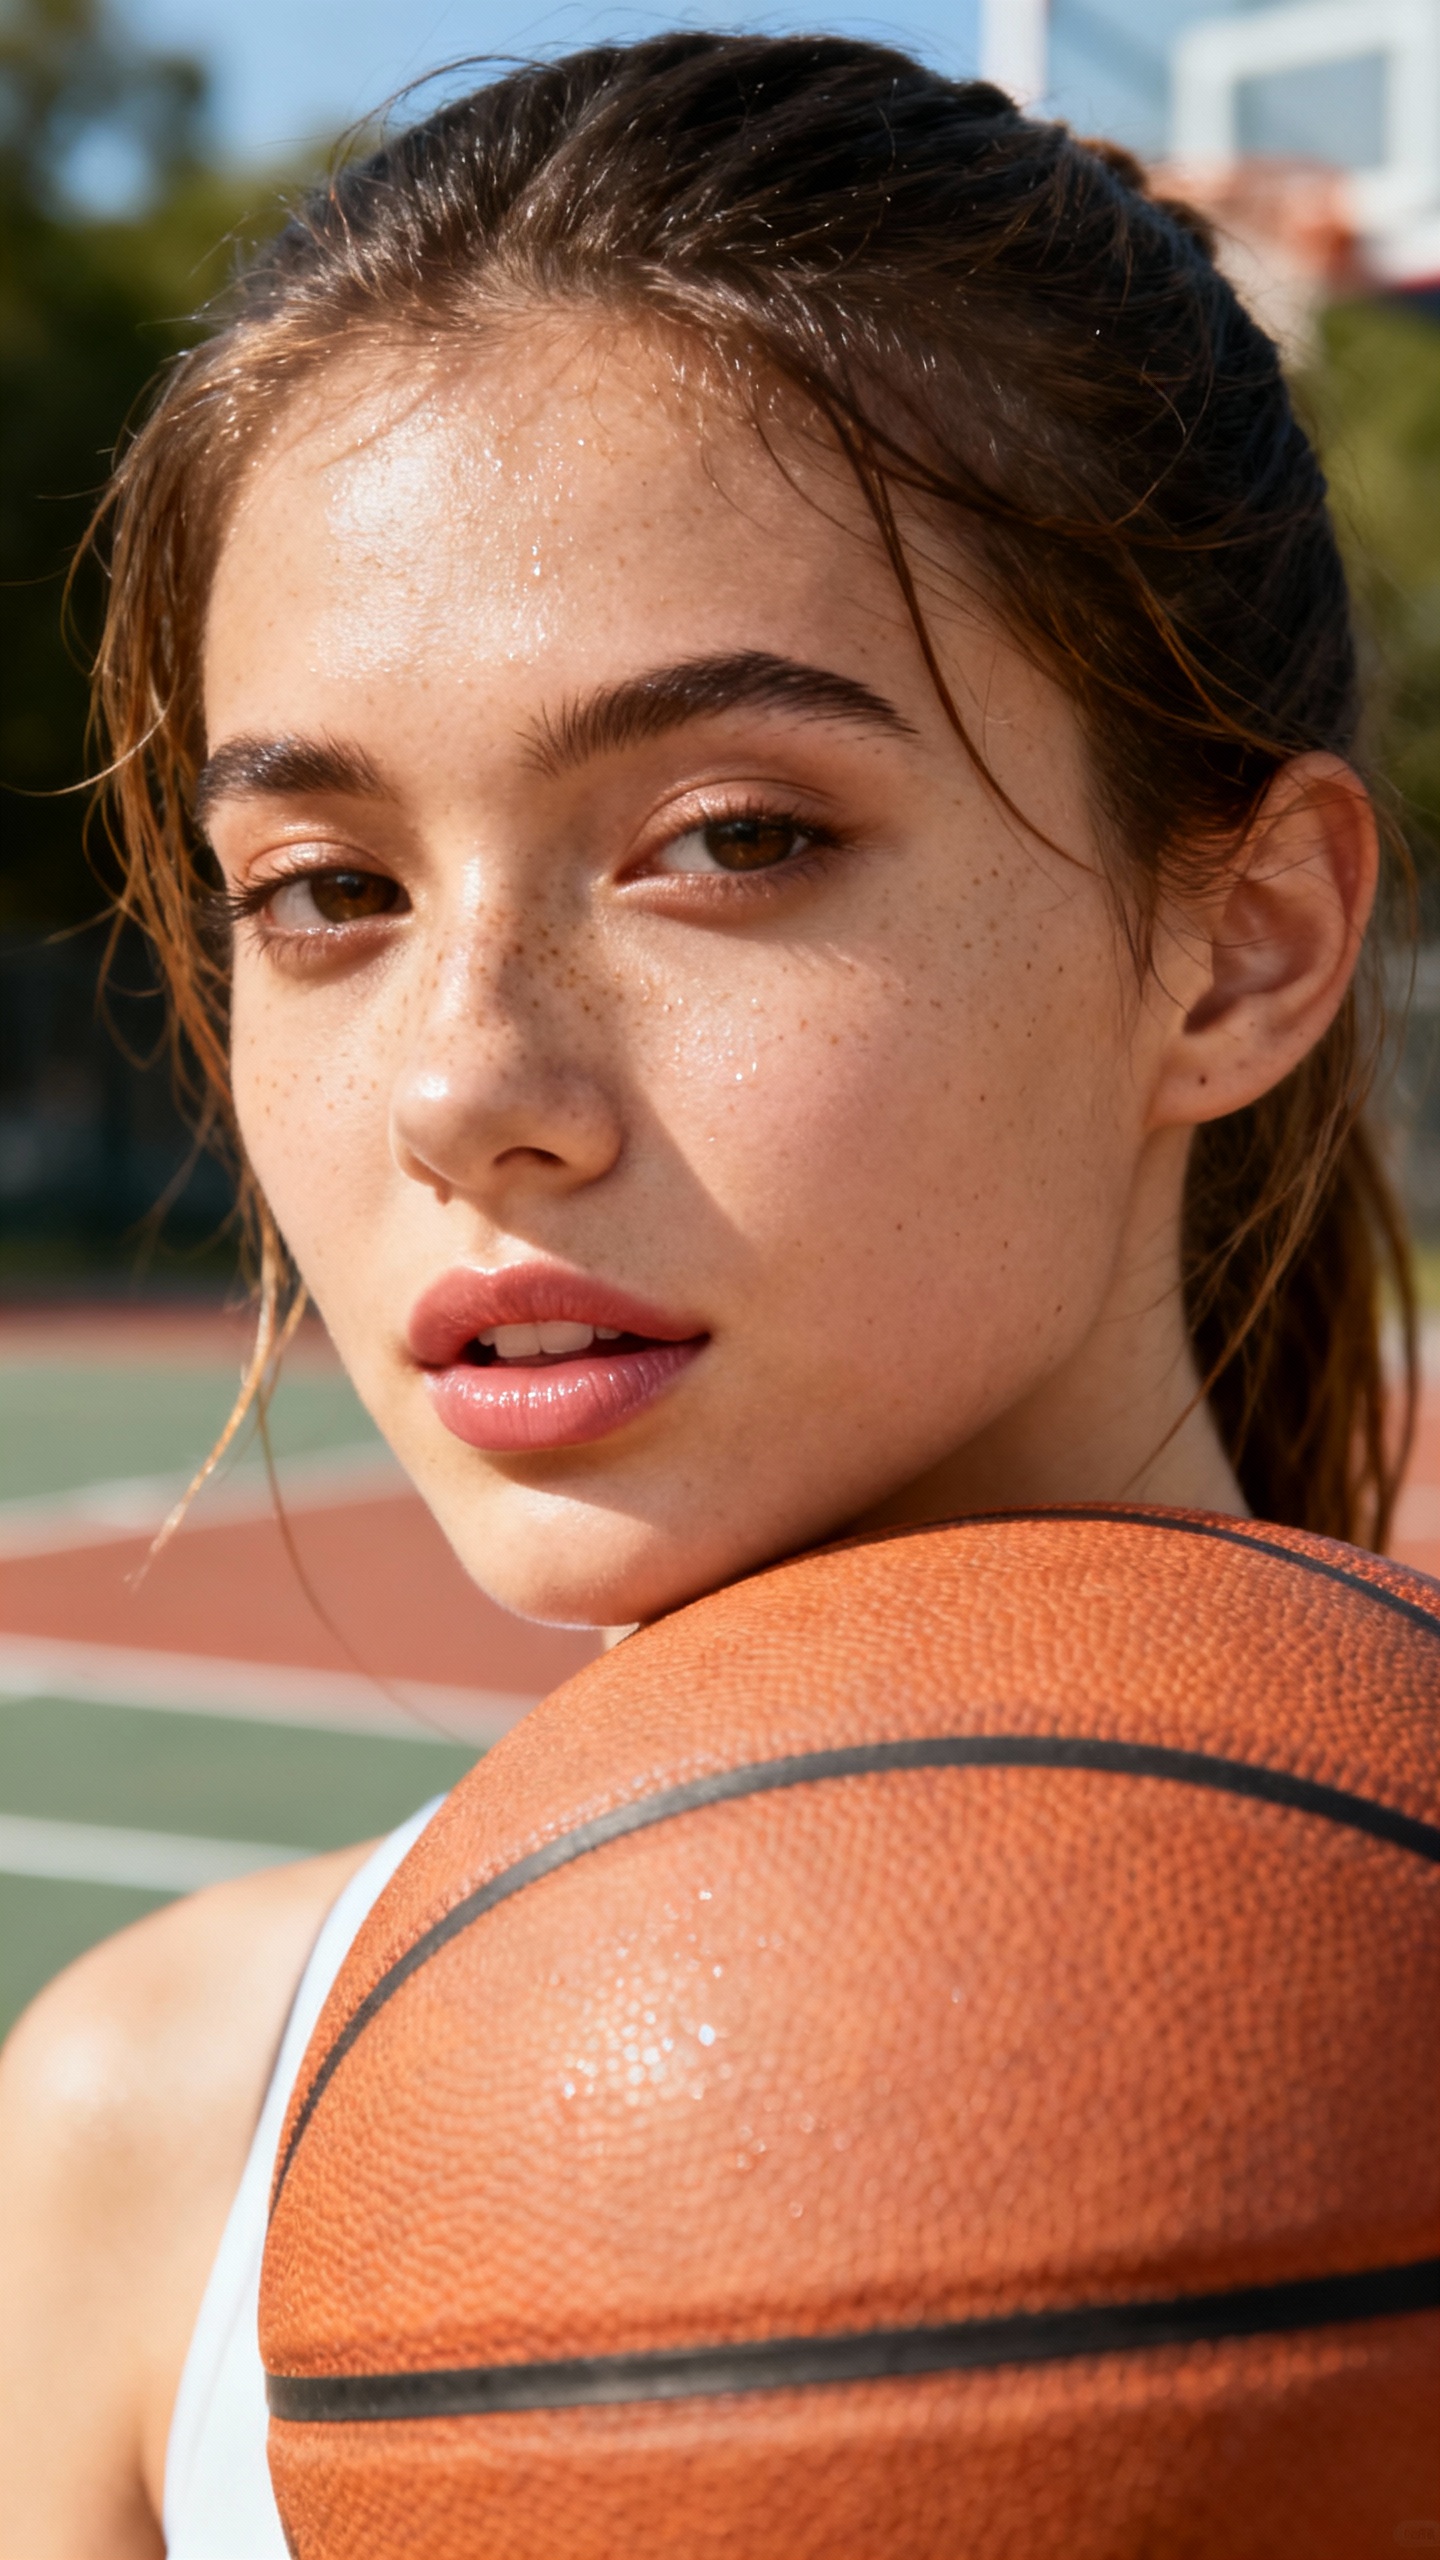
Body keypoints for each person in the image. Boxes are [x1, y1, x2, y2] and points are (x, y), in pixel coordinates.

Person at [0, 34, 1417, 2556]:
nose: (463, 1083)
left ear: (1246, 937)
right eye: (326, 886)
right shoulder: (151, 2131)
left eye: (727, 837)